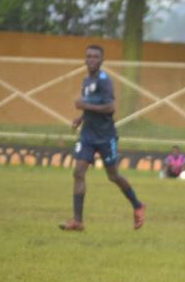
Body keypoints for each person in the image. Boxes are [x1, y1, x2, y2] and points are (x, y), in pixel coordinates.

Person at [59, 45, 146, 232]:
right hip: (88, 135)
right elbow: (89, 105)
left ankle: (138, 205)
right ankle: (77, 220)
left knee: (113, 176)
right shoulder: (86, 80)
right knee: (78, 172)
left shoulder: (105, 81)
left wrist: (85, 107)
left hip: (106, 136)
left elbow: (110, 107)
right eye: (88, 56)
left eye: (95, 57)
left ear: (101, 60)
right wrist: (81, 117)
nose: (91, 59)